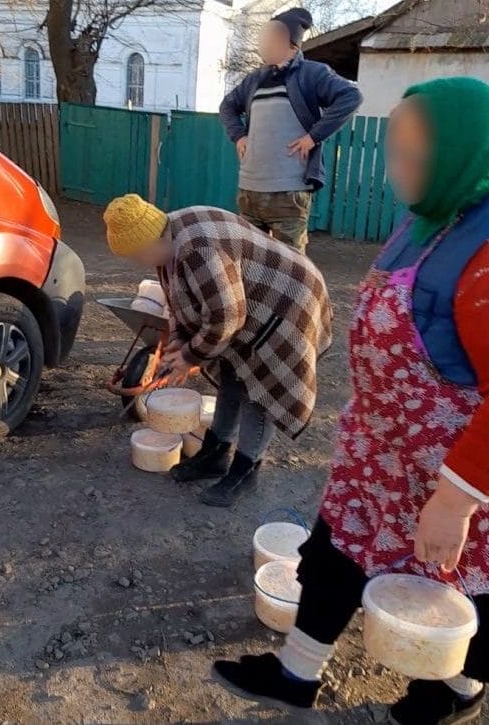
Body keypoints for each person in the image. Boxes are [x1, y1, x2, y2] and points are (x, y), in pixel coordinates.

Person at [212, 76, 489, 724]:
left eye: (412, 156)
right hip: (379, 454)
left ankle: (452, 691)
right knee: (336, 552)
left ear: (465, 154)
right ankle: (296, 674)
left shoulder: (484, 252)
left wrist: (455, 498)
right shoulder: (424, 223)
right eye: (393, 149)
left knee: (460, 598)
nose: (396, 169)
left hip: (455, 476)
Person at [103, 194, 332, 507]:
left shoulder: (199, 250)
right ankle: (216, 454)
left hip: (288, 303)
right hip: (249, 303)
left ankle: (245, 470)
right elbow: (180, 301)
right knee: (231, 373)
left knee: (259, 390)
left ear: (150, 240)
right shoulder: (168, 237)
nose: (137, 262)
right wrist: (180, 342)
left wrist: (188, 356)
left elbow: (226, 318)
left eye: (137, 255)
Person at [219, 7, 362, 254]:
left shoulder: (312, 74)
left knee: (291, 267)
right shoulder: (255, 79)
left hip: (288, 191)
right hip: (250, 190)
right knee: (249, 262)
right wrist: (239, 135)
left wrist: (313, 137)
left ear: (292, 44)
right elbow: (227, 106)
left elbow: (351, 96)